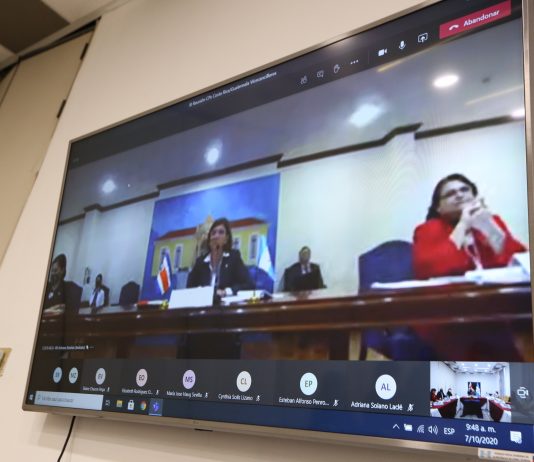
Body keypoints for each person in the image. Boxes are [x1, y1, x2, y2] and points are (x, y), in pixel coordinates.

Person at [413, 173, 526, 279]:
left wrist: (489, 226)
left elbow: (521, 262)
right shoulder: (427, 229)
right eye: (450, 194)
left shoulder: (492, 220)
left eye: (465, 190)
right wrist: (463, 224)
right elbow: (428, 269)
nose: (459, 195)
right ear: (439, 208)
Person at [187, 217, 253, 301]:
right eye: (213, 233)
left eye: (221, 232)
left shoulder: (233, 258)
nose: (216, 236)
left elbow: (249, 285)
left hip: (225, 306)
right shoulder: (200, 262)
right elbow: (189, 288)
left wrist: (226, 292)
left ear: (226, 239)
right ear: (209, 239)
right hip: (204, 305)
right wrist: (201, 292)